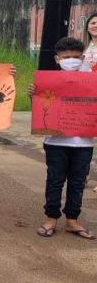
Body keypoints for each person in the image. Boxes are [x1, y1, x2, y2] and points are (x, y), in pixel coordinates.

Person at [28, 37, 95, 239]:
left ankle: (72, 220)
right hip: (55, 141)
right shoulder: (49, 81)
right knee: (55, 180)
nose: (71, 60)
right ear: (57, 58)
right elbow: (42, 110)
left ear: (82, 58)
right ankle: (51, 218)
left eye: (76, 57)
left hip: (83, 142)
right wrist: (34, 97)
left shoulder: (92, 80)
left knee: (78, 182)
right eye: (66, 57)